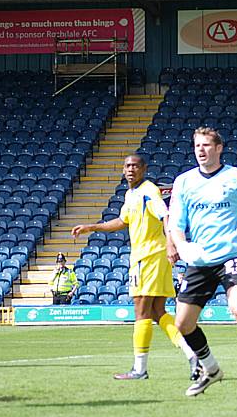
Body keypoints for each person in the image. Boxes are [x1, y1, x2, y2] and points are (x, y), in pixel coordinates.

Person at [169, 126, 237, 399]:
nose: (201, 151)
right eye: (197, 146)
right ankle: (211, 369)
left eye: (207, 145)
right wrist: (182, 246)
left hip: (231, 255)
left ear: (219, 148)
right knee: (182, 324)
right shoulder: (183, 182)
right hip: (199, 259)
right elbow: (176, 224)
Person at [72, 154, 197, 380]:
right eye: (127, 165)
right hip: (153, 256)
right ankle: (192, 354)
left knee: (140, 311)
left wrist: (171, 242)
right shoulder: (131, 194)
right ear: (123, 169)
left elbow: (165, 215)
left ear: (143, 168)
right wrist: (92, 227)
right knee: (159, 312)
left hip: (148, 256)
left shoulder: (149, 190)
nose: (131, 169)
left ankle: (139, 369)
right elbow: (122, 221)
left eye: (135, 166)